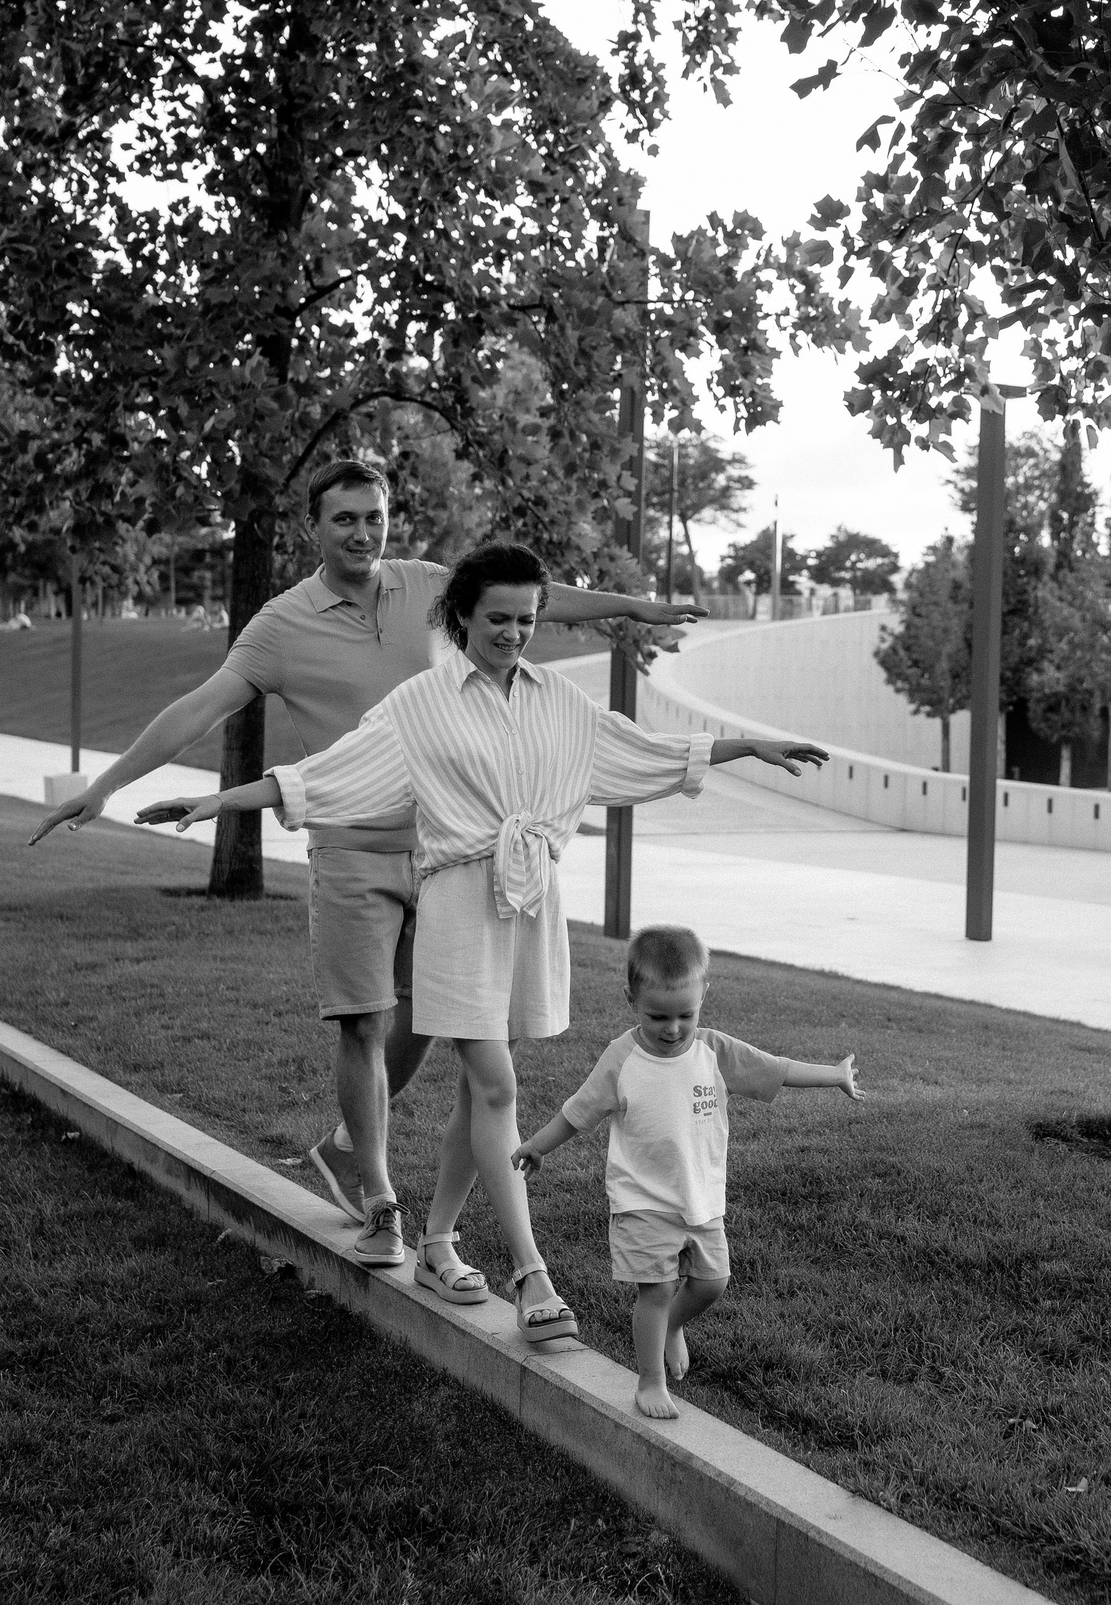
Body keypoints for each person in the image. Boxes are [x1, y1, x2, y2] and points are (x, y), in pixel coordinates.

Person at [140, 543, 827, 1345]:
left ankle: (435, 1240)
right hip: (460, 902)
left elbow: (641, 751)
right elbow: (325, 774)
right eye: (497, 617)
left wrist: (747, 746)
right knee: (496, 1085)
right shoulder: (419, 702)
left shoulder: (558, 702)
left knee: (480, 1090)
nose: (514, 633)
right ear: (459, 613)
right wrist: (220, 798)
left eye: (527, 619)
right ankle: (532, 1272)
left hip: (531, 903)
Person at [32, 463, 701, 1271]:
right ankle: (382, 1198)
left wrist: (630, 607)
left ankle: (351, 1143)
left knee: (429, 1021)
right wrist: (102, 788)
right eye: (344, 518)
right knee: (362, 1018)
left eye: (375, 516)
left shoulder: (425, 585)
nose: (362, 532)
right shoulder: (280, 625)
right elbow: (197, 710)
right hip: (349, 846)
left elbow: (530, 594)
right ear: (313, 526)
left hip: (448, 853)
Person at [511, 925, 864, 1418]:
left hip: (700, 1200)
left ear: (704, 998)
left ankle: (674, 1326)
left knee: (712, 1282)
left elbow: (777, 1068)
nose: (673, 1028)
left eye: (686, 1015)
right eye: (658, 1016)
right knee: (654, 1289)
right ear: (631, 999)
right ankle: (650, 1380)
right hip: (642, 1200)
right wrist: (538, 1145)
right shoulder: (622, 1058)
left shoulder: (714, 1052)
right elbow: (578, 1112)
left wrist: (835, 1076)